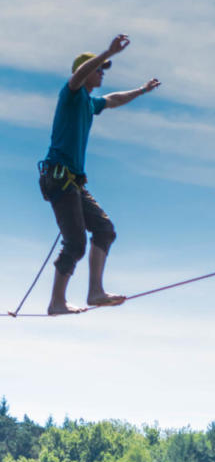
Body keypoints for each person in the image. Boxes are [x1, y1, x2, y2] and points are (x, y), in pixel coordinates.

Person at [38, 35, 160, 315]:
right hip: (59, 177)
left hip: (74, 183)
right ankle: (56, 302)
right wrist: (108, 51)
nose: (102, 73)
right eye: (100, 69)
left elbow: (114, 99)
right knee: (76, 244)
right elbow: (78, 75)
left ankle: (95, 291)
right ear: (86, 70)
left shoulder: (89, 103)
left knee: (105, 230)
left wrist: (142, 90)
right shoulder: (71, 93)